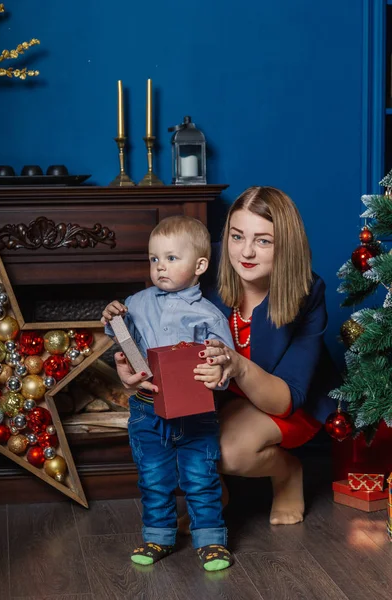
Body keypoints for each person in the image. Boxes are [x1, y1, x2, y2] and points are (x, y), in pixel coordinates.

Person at [112, 186, 340, 528]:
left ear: (286, 246)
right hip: (220, 394)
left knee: (227, 451)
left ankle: (287, 472)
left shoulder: (309, 290)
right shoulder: (204, 262)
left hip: (284, 399)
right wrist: (135, 370)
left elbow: (284, 400)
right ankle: (217, 492)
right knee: (169, 436)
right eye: (237, 236)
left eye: (263, 240)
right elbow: (155, 320)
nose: (245, 251)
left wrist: (237, 364)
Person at [101, 215, 235, 572]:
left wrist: (217, 370)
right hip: (147, 409)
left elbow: (225, 367)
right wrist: (112, 317)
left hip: (195, 413)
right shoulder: (137, 302)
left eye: (171, 258)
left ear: (200, 265)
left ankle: (211, 539)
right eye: (154, 258)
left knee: (200, 476)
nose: (160, 267)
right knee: (153, 477)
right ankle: (158, 536)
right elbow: (121, 338)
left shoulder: (209, 315)